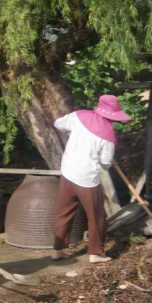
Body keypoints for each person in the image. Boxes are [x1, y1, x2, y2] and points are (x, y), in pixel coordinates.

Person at [52, 94, 131, 264]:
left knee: (64, 212)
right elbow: (105, 164)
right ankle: (95, 254)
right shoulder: (108, 135)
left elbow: (58, 124)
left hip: (67, 172)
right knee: (96, 216)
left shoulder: (78, 116)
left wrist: (74, 134)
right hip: (87, 179)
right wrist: (109, 160)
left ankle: (58, 251)